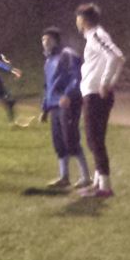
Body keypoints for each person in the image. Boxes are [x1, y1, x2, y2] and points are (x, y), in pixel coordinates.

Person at [76, 3, 125, 197]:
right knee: (95, 140)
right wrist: (109, 82)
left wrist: (106, 83)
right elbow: (118, 58)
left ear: (83, 20)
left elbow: (116, 56)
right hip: (94, 93)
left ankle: (105, 187)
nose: (76, 21)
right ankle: (98, 183)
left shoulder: (96, 35)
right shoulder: (93, 36)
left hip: (95, 94)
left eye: (78, 17)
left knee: (94, 139)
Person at [39, 26, 90, 189]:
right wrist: (44, 108)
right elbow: (47, 86)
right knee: (59, 141)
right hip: (54, 104)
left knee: (71, 139)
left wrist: (68, 95)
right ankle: (64, 177)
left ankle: (86, 176)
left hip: (68, 103)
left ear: (55, 40)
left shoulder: (67, 54)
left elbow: (77, 76)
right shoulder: (48, 60)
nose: (44, 42)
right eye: (43, 39)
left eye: (47, 39)